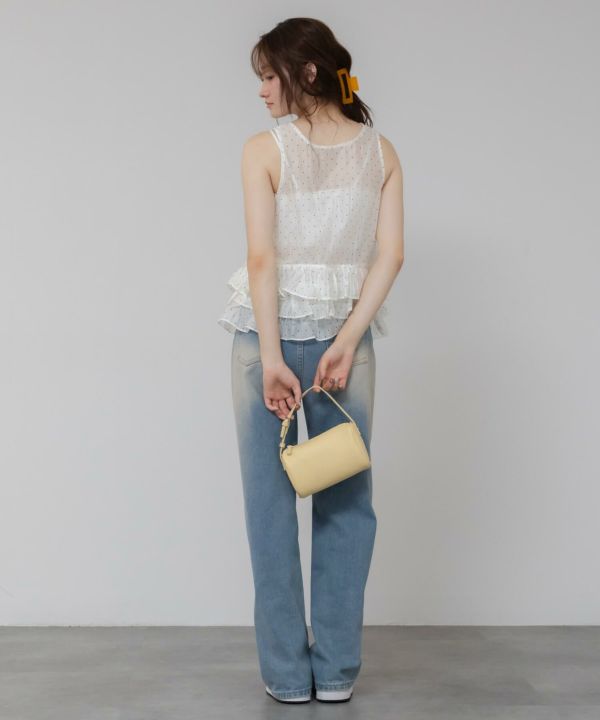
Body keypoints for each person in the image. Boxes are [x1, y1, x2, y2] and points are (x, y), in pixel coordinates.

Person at [217, 17, 404, 705]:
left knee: (269, 509)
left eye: (270, 76)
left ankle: (287, 676)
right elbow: (391, 256)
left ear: (308, 73)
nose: (262, 91)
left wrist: (271, 357)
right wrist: (348, 340)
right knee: (347, 503)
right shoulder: (381, 153)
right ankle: (337, 672)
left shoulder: (262, 151)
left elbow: (262, 259)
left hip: (263, 345)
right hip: (343, 352)